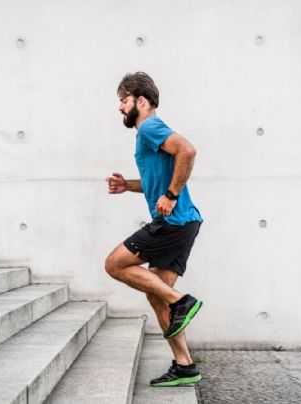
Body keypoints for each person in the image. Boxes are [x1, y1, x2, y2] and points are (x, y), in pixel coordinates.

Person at [105, 72, 204, 387]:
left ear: (141, 100)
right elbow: (156, 180)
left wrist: (172, 196)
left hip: (173, 223)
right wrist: (128, 186)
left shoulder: (149, 126)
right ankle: (184, 365)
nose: (120, 107)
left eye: (124, 100)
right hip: (185, 223)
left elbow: (187, 151)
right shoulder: (146, 135)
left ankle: (182, 301)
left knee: (114, 263)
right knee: (155, 294)